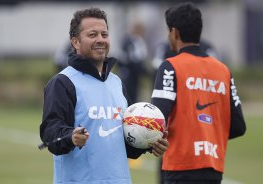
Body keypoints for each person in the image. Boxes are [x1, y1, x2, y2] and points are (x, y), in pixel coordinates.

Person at [39, 7, 168, 184]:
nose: (100, 40)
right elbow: (50, 133)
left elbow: (126, 144)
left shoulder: (116, 83)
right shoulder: (62, 82)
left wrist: (149, 142)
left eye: (104, 34)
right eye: (92, 35)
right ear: (75, 42)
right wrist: (71, 137)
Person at [151, 3, 246, 184]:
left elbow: (156, 119)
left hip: (180, 166)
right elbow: (238, 126)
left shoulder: (170, 66)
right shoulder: (223, 71)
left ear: (175, 33)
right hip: (213, 167)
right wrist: (207, 134)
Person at [117, 22, 149, 103]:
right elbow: (135, 59)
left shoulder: (126, 40)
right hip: (132, 73)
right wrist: (144, 72)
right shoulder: (136, 41)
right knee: (131, 97)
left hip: (125, 71)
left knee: (127, 95)